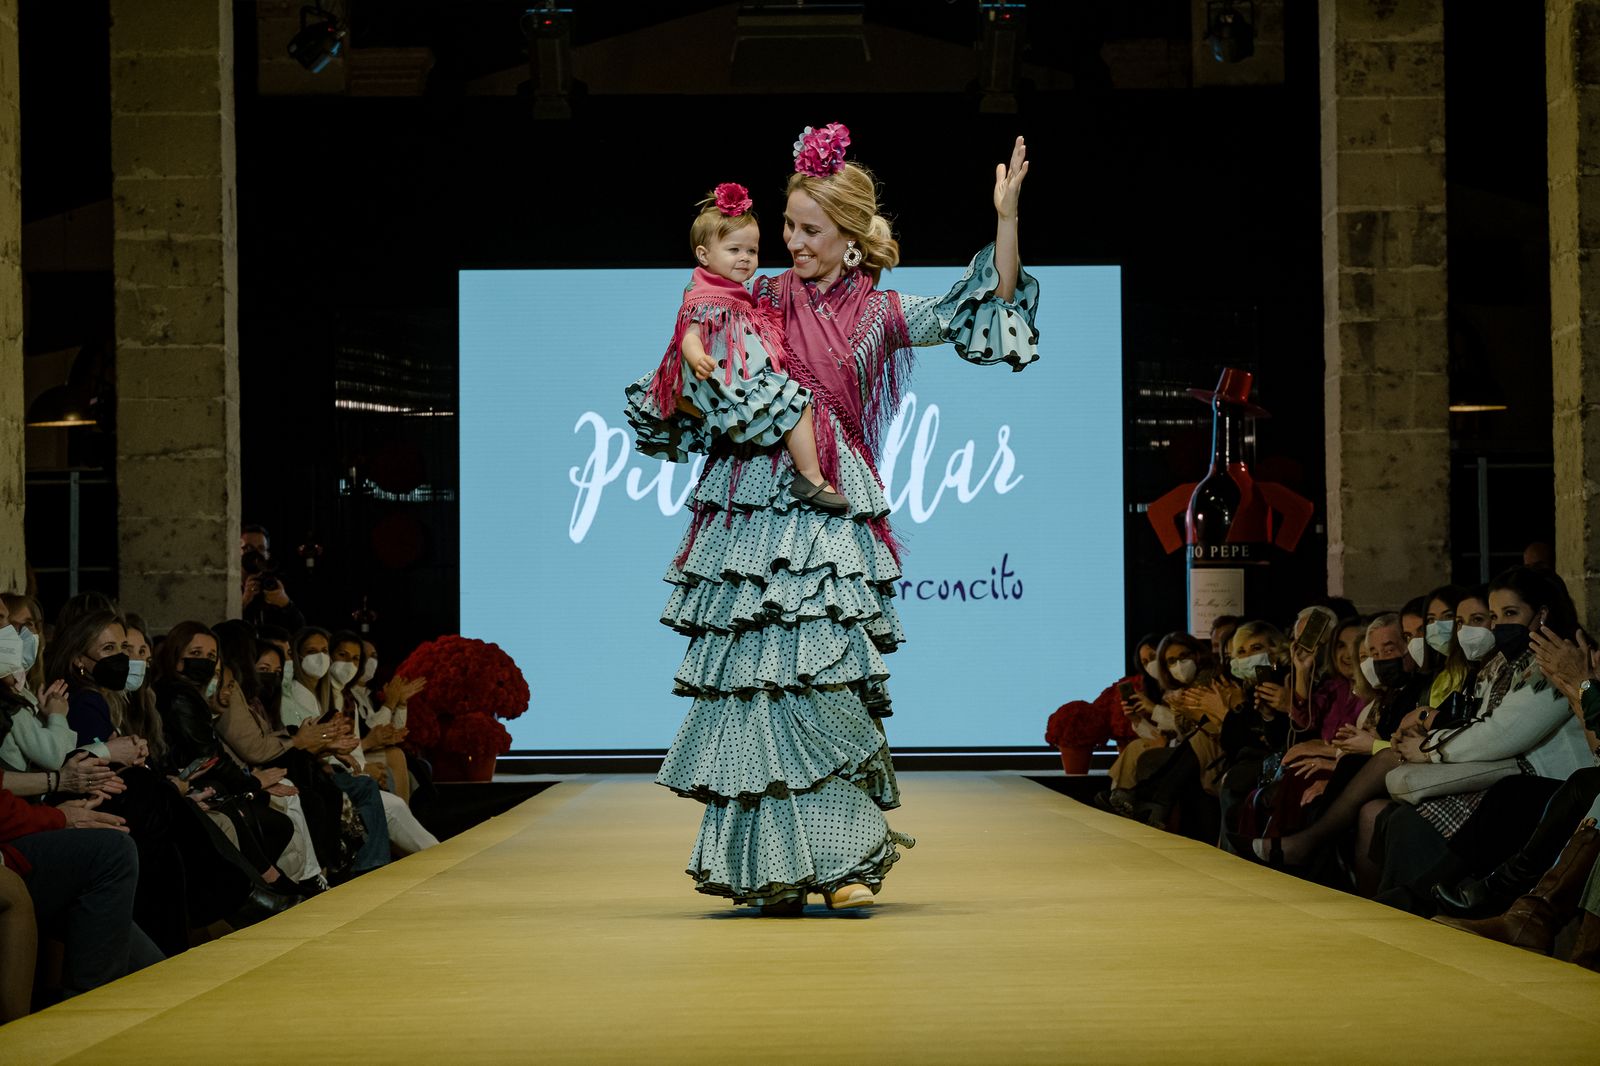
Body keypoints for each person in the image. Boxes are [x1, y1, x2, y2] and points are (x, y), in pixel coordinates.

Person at [647, 125, 1036, 914]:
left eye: (809, 230)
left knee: (823, 682)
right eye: (787, 227)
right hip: (754, 496)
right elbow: (706, 345)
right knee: (757, 687)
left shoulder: (883, 313)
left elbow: (987, 302)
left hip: (827, 500)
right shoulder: (759, 298)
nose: (791, 242)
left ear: (851, 238)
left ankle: (845, 862)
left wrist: (1005, 219)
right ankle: (770, 871)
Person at [626, 182, 844, 509]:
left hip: (731, 376)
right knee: (794, 401)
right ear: (704, 255)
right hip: (722, 377)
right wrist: (697, 356)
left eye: (752, 251)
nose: (745, 258)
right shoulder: (705, 295)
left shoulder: (738, 296)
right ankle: (810, 476)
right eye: (734, 250)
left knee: (787, 403)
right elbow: (689, 334)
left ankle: (801, 472)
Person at [241, 524, 306, 633]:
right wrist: (243, 602)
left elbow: (300, 630)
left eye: (261, 548)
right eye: (248, 548)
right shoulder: (226, 586)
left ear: (267, 555)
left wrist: (286, 604)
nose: (255, 554)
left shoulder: (278, 583)